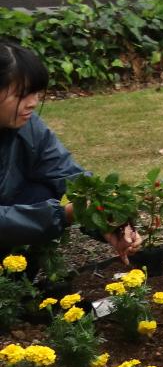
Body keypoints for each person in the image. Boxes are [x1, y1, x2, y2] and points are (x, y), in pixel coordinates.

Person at [0, 41, 136, 260]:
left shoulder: (29, 126)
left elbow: (72, 178)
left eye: (36, 93)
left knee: (41, 192)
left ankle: (17, 286)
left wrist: (112, 221)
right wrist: (63, 215)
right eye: (22, 94)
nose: (33, 103)